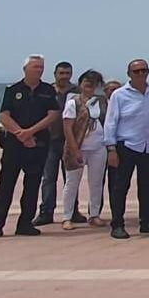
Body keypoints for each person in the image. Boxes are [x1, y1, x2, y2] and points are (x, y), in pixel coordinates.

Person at [0, 54, 58, 240]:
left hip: (38, 144)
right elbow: (4, 116)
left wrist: (30, 132)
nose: (39, 70)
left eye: (41, 67)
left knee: (32, 186)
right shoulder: (13, 90)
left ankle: (25, 223)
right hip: (14, 145)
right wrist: (20, 134)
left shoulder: (48, 90)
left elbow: (53, 115)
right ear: (25, 69)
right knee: (5, 186)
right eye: (35, 67)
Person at [102, 58, 149, 239]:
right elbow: (111, 122)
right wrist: (111, 148)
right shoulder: (119, 95)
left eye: (144, 70)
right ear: (129, 74)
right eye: (136, 71)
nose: (140, 74)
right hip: (126, 145)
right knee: (120, 186)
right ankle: (117, 224)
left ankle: (146, 221)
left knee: (145, 186)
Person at [59, 70, 108, 230]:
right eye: (87, 82)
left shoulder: (101, 102)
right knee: (72, 183)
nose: (90, 86)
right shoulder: (73, 102)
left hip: (98, 148)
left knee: (96, 183)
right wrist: (75, 149)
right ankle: (67, 216)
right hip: (78, 147)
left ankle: (94, 214)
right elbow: (67, 127)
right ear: (80, 84)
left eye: (94, 83)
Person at [33, 60, 76, 227]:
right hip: (50, 141)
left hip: (70, 142)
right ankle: (46, 212)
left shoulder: (77, 92)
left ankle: (72, 211)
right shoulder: (46, 91)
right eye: (61, 73)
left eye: (67, 73)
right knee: (49, 178)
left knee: (71, 179)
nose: (64, 76)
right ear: (55, 74)